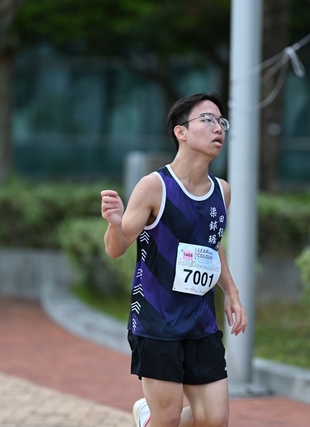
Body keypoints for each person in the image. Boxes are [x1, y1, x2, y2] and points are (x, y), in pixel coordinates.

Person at [100, 92, 248, 427]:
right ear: (181, 131)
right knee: (167, 420)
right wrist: (114, 224)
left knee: (214, 420)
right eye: (207, 120)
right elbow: (116, 248)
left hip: (201, 321)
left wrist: (232, 292)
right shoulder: (155, 186)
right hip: (157, 321)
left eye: (221, 122)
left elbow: (212, 245)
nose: (218, 128)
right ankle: (150, 416)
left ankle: (149, 418)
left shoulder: (222, 191)